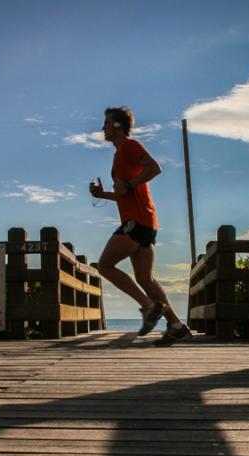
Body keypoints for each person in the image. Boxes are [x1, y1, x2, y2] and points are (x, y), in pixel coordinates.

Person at [90, 106, 192, 346]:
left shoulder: (129, 146)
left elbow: (155, 168)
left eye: (106, 123)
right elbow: (125, 192)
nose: (102, 128)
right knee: (145, 279)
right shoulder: (119, 154)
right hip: (145, 221)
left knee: (104, 266)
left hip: (136, 221)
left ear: (117, 125)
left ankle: (148, 307)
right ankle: (177, 326)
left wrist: (131, 183)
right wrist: (103, 194)